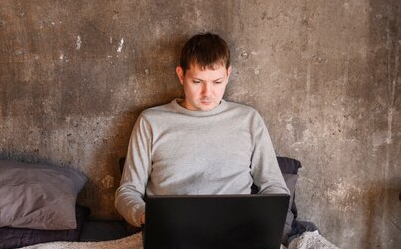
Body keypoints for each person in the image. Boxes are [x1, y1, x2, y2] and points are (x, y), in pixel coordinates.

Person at [115, 32, 289, 227]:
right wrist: (146, 216)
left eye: (217, 82)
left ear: (228, 74)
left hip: (236, 232)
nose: (208, 93)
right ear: (181, 75)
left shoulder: (249, 119)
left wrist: (264, 224)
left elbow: (274, 188)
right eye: (197, 82)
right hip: (173, 231)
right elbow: (127, 192)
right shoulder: (151, 122)